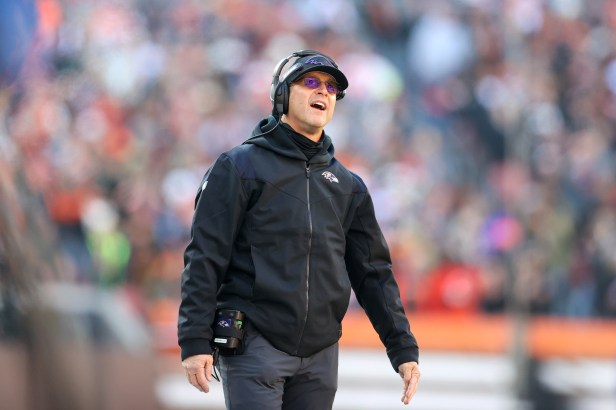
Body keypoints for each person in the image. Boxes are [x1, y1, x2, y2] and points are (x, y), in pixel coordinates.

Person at [178, 49, 420, 409]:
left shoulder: (347, 185)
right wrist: (194, 339)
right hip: (255, 344)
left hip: (320, 354)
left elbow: (373, 273)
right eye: (310, 82)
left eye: (331, 87)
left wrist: (402, 346)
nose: (322, 91)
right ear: (281, 95)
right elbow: (205, 256)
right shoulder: (238, 167)